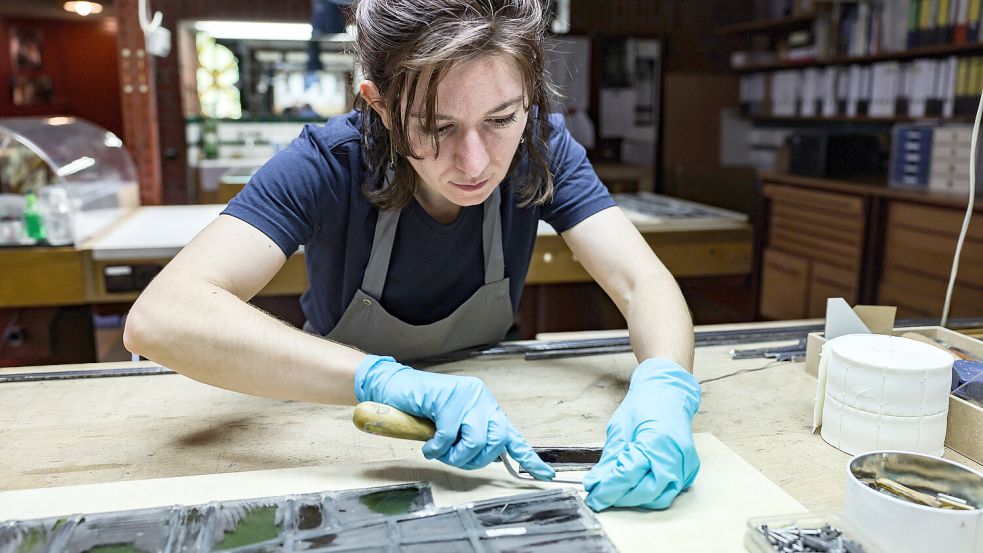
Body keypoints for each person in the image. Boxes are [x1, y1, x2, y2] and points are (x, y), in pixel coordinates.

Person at [124, 0, 701, 512]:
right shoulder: (329, 164)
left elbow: (641, 279)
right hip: (340, 419)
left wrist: (665, 386)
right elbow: (162, 318)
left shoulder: (539, 151)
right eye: (435, 127)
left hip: (502, 413)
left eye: (501, 118)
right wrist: (378, 379)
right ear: (377, 105)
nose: (474, 162)